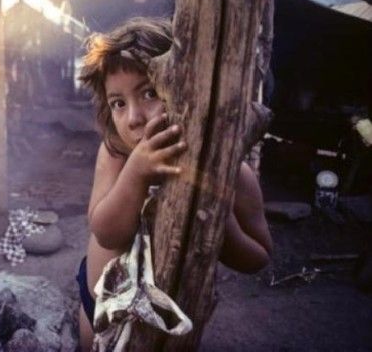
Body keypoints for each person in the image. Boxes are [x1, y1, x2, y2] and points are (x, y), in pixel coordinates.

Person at [75, 17, 273, 350]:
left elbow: (259, 257)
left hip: (171, 321)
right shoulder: (117, 153)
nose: (133, 118)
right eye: (118, 103)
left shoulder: (232, 173)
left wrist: (219, 219)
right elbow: (105, 232)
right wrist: (136, 174)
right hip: (100, 308)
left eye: (149, 93)